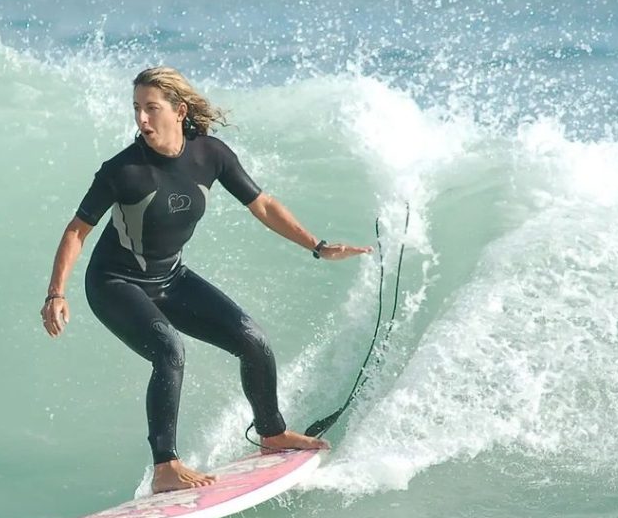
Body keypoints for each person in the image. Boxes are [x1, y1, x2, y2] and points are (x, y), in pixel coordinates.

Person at [40, 67, 372, 493]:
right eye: (136, 109)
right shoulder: (121, 170)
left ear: (179, 111)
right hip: (114, 284)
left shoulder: (210, 155)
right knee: (169, 351)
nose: (141, 119)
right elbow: (77, 230)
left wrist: (317, 245)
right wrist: (56, 293)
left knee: (253, 339)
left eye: (151, 109)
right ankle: (166, 467)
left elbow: (263, 205)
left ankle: (271, 432)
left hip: (170, 278)